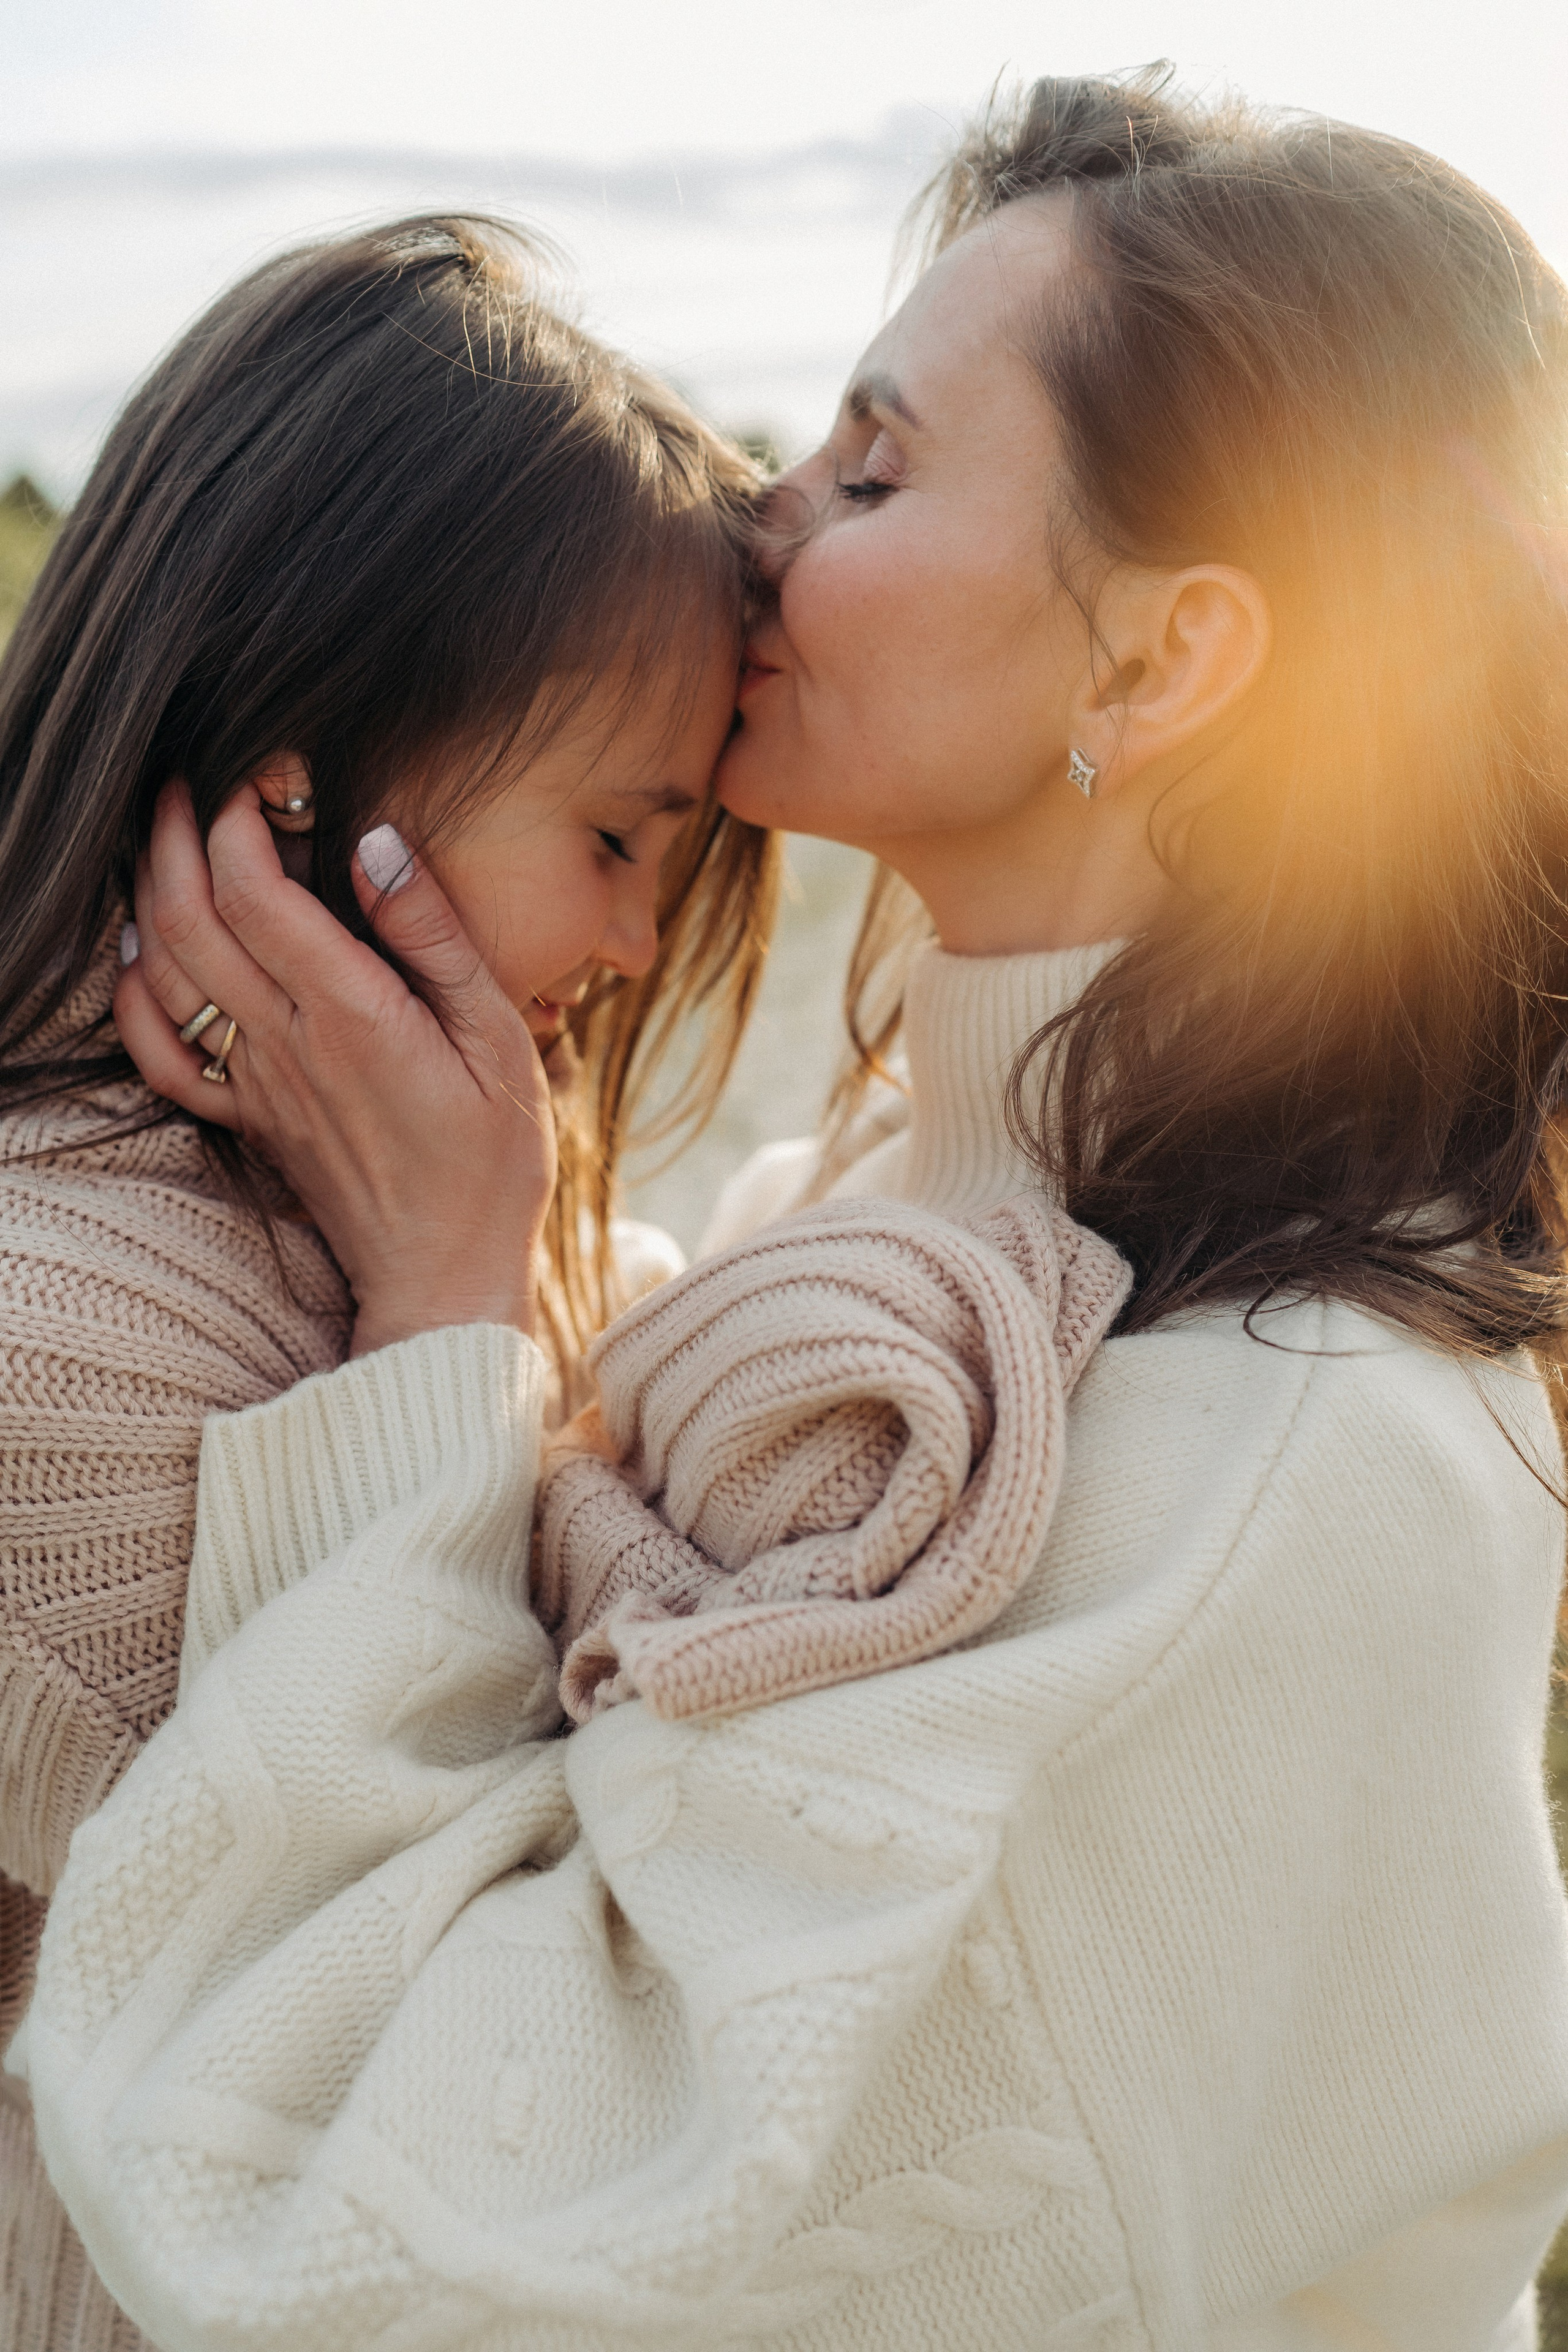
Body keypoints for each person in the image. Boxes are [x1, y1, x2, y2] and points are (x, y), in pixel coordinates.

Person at [18, 67, 1568, 2350]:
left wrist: (446, 1318)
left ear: (1161, 661)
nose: (761, 511)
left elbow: (375, 2245)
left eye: (873, 463)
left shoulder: (1283, 1473)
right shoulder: (900, 1205)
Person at [0, 213, 774, 2352]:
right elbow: (475, 1993)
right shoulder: (59, 1363)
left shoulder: (314, 1227)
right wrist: (448, 1295)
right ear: (296, 799)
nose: (632, 947)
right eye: (617, 842)